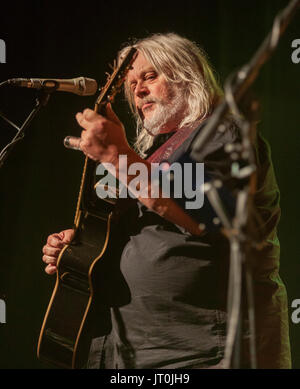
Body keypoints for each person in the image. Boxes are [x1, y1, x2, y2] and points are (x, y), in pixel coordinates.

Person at [42, 33, 291, 369]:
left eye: (149, 76)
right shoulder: (147, 155)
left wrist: (118, 158)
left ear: (188, 76)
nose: (138, 90)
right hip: (124, 349)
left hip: (201, 350)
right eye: (131, 84)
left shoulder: (224, 132)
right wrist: (79, 251)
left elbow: (203, 212)